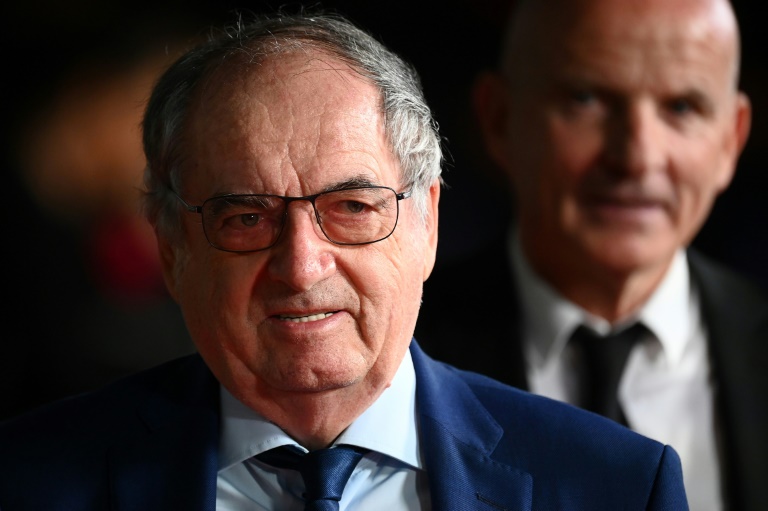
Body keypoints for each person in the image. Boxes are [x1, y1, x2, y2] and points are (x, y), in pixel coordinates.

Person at [0, 10, 688, 510]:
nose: (302, 267)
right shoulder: (25, 479)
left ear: (427, 222)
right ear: (172, 247)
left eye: (353, 207)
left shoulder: (616, 486)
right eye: (247, 217)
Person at [415, 0, 768, 510]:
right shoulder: (395, 352)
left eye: (682, 108)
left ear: (731, 140)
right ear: (499, 119)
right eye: (586, 100)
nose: (637, 156)